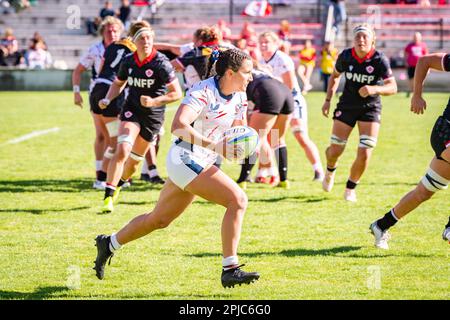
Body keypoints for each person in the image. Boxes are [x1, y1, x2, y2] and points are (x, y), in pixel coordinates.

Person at [93, 49, 260, 288]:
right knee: (238, 200)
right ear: (231, 73)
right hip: (185, 157)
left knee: (159, 220)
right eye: (247, 72)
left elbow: (238, 130)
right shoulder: (203, 91)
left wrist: (243, 145)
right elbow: (178, 126)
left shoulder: (240, 96)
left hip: (201, 159)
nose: (251, 77)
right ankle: (230, 268)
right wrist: (216, 146)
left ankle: (108, 243)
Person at [99, 21, 182, 213]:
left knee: (134, 164)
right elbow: (118, 84)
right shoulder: (128, 61)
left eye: (149, 38)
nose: (146, 41)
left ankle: (119, 184)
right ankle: (107, 198)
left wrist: (154, 102)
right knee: (122, 150)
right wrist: (108, 98)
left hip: (153, 117)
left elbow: (176, 93)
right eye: (142, 38)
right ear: (135, 42)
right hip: (131, 111)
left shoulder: (161, 63)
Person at [369, 52, 450, 249]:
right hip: (446, 131)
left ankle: (381, 225)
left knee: (424, 191)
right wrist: (416, 95)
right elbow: (423, 61)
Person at [321, 24, 397, 202]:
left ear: (372, 40)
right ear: (353, 40)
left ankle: (350, 188)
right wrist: (327, 100)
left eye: (365, 37)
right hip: (347, 106)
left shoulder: (380, 59)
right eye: (358, 37)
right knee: (334, 151)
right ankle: (330, 170)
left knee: (365, 152)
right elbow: (335, 76)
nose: (361, 40)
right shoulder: (346, 56)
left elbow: (393, 87)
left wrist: (373, 89)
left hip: (370, 108)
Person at [259, 31, 324, 183]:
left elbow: (289, 86)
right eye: (261, 42)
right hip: (275, 102)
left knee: (300, 136)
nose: (263, 44)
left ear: (276, 44)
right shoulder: (262, 61)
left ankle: (318, 170)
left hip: (291, 100)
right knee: (270, 136)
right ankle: (270, 171)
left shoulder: (282, 59)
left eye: (266, 42)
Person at [72, 16, 123, 189]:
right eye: (108, 30)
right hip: (99, 93)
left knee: (113, 137)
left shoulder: (124, 48)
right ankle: (101, 174)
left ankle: (107, 175)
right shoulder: (95, 49)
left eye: (115, 30)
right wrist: (76, 93)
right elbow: (78, 70)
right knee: (105, 136)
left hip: (120, 95)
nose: (112, 33)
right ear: (102, 32)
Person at [88, 20, 137, 190]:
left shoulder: (111, 46)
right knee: (115, 142)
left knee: (105, 137)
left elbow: (101, 67)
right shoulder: (133, 51)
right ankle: (103, 178)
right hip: (110, 93)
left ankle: (103, 176)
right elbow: (126, 77)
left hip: (96, 90)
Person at [236, 68, 294, 189]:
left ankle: (242, 180)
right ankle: (284, 180)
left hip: (269, 92)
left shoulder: (238, 76)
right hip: (285, 92)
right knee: (277, 139)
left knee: (255, 139)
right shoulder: (258, 71)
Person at [404, 32, 428, 98]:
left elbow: (426, 55)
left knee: (420, 80)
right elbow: (405, 54)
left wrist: (427, 66)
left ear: (420, 38)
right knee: (411, 79)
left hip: (420, 66)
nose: (416, 38)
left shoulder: (423, 45)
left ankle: (419, 93)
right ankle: (412, 92)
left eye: (417, 37)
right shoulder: (409, 46)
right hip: (411, 65)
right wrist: (406, 61)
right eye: (415, 37)